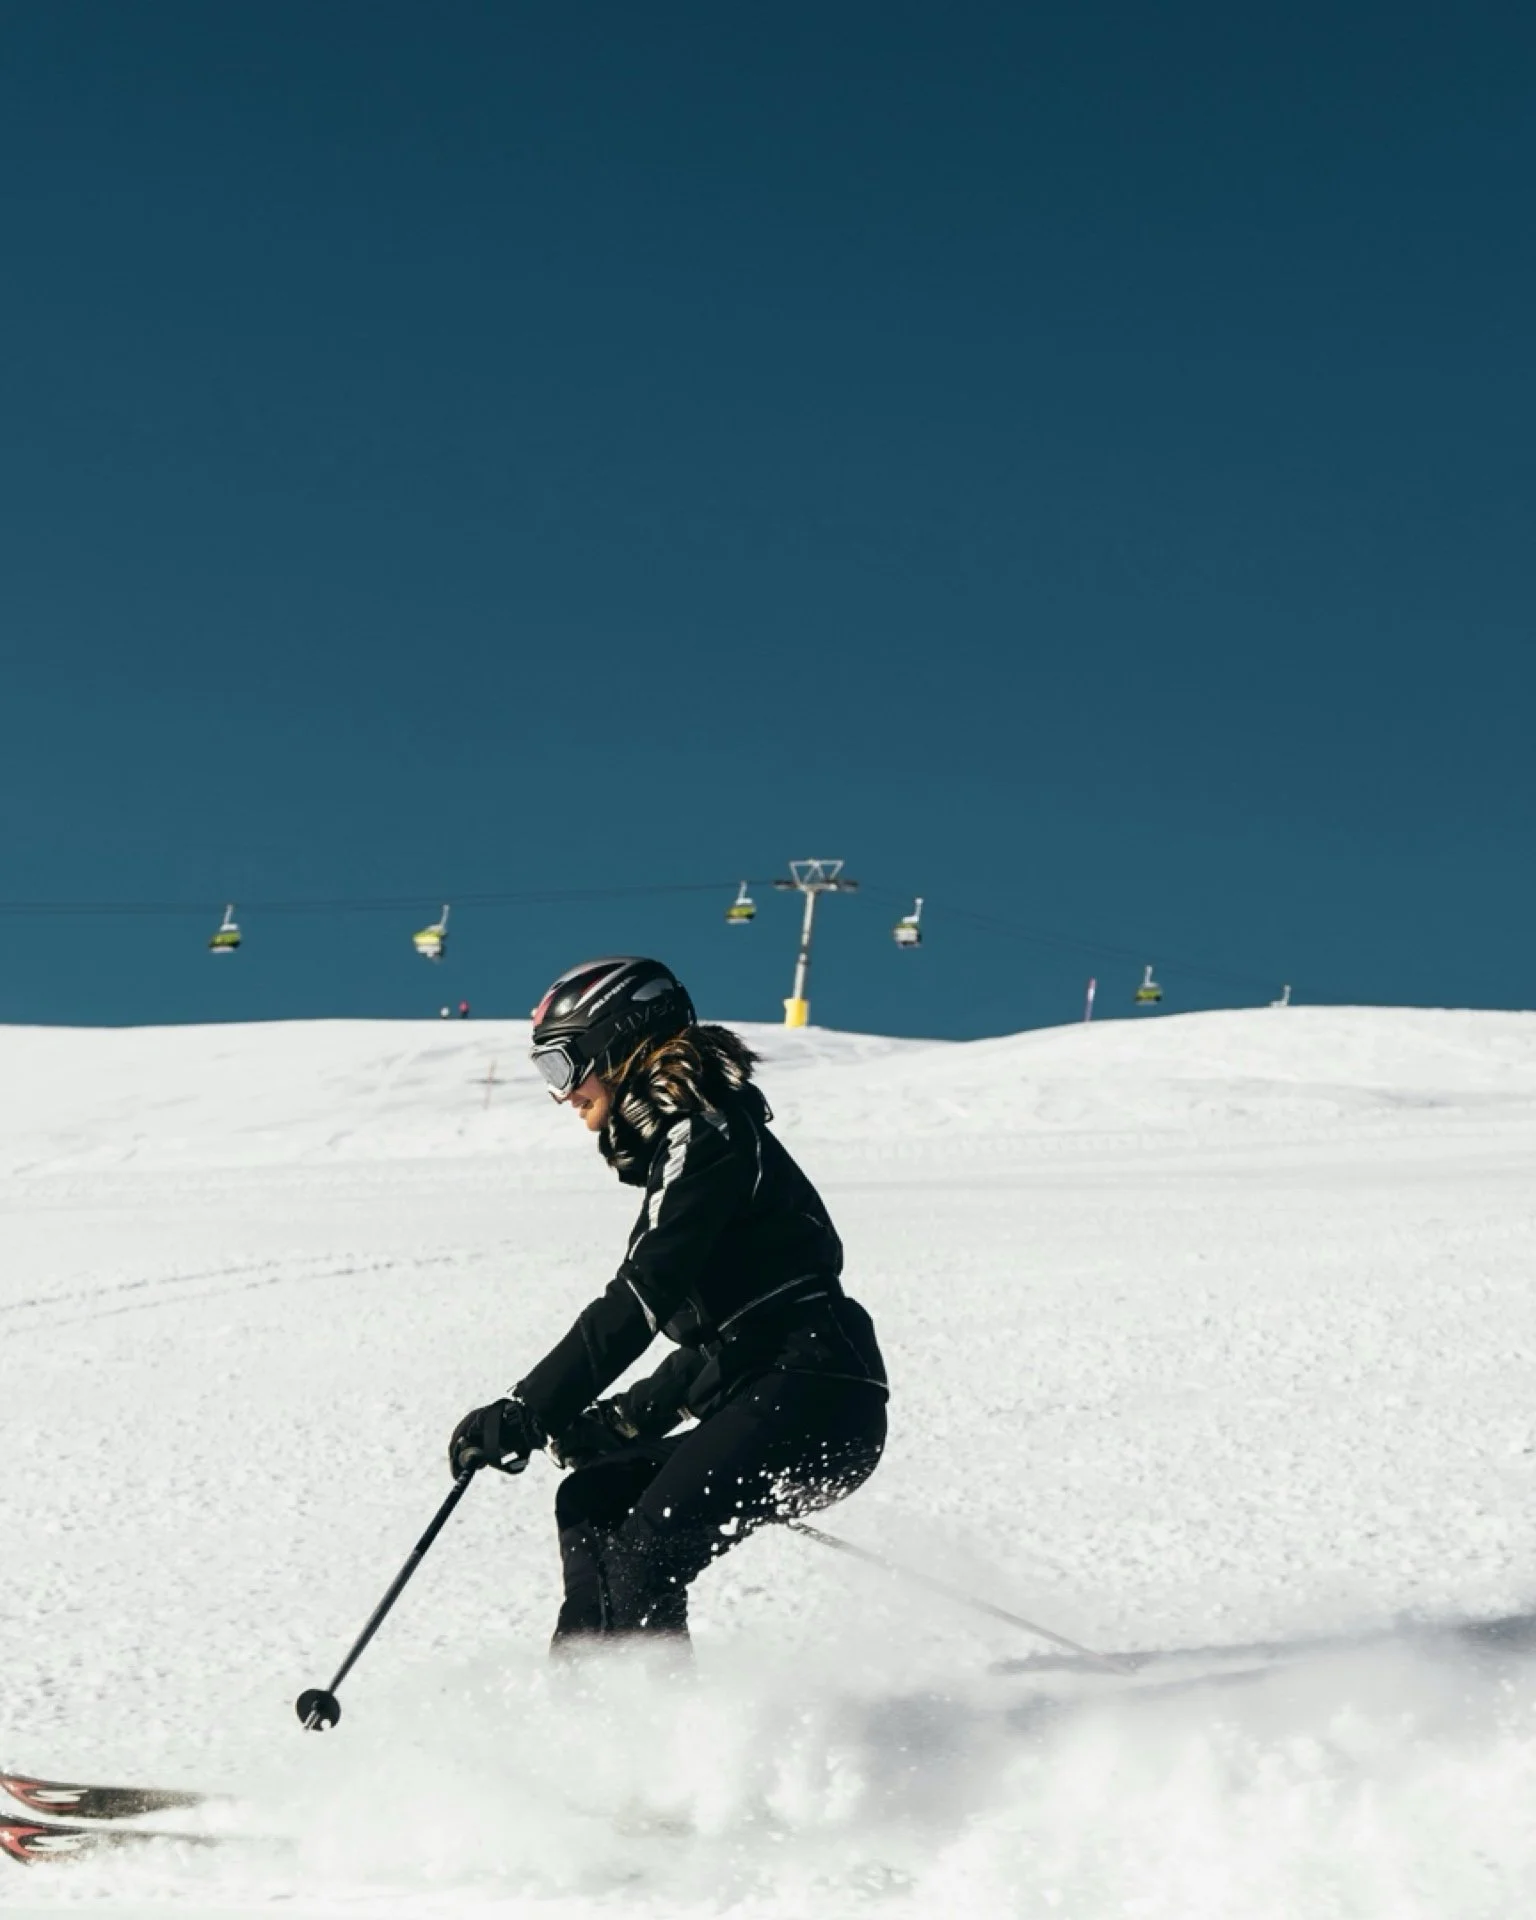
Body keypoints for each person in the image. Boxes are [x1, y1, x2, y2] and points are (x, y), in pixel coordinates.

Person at [449, 956, 887, 1648]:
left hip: (815, 1395)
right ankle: (583, 1717)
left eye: (563, 1068)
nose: (563, 1095)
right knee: (593, 1497)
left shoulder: (707, 1134)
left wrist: (531, 1409)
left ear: (615, 1043)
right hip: (783, 1388)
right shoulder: (695, 1145)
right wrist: (622, 1420)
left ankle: (655, 1731)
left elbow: (644, 1293)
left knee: (646, 1557)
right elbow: (728, 1340)